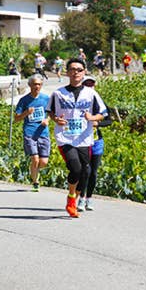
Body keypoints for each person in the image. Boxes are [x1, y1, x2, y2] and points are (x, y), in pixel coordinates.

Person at [46, 58, 106, 218]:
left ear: (84, 72)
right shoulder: (58, 93)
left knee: (85, 172)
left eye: (79, 70)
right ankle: (71, 198)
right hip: (65, 136)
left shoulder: (91, 93)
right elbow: (50, 111)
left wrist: (92, 118)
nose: (76, 72)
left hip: (84, 138)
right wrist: (55, 119)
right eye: (72, 69)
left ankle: (75, 197)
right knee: (76, 168)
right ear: (67, 72)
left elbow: (104, 114)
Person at [77, 76, 112, 211]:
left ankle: (89, 199)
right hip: (82, 141)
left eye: (92, 84)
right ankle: (81, 199)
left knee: (93, 173)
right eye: (87, 84)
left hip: (97, 141)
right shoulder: (78, 103)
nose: (90, 87)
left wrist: (98, 123)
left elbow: (109, 121)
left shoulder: (99, 103)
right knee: (85, 171)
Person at [14, 74, 50, 192]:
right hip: (29, 132)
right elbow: (16, 118)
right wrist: (26, 113)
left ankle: (34, 171)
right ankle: (35, 182)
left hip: (43, 132)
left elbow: (51, 113)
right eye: (34, 84)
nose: (37, 86)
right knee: (35, 159)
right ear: (30, 85)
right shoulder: (24, 100)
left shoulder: (46, 99)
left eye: (39, 84)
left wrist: (47, 120)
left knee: (43, 162)